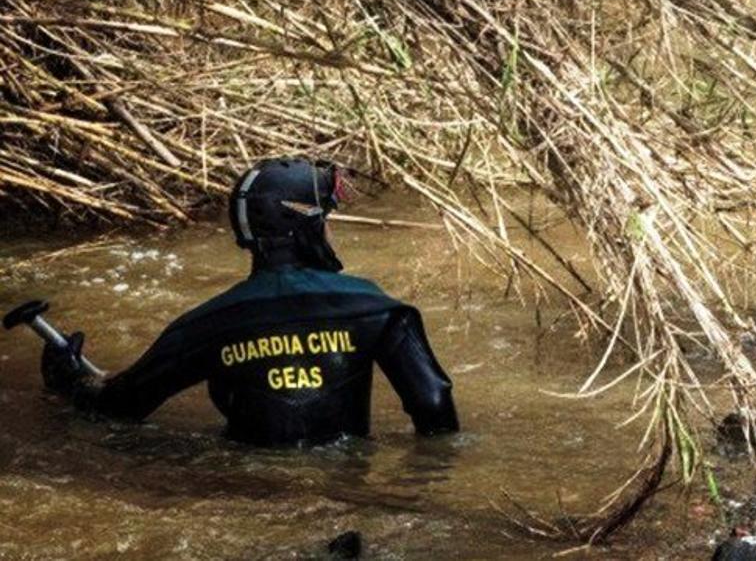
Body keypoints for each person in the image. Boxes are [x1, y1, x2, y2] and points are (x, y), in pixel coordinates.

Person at [40, 158, 459, 446]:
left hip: (247, 487)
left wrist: (70, 380)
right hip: (352, 492)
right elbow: (435, 408)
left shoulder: (208, 324)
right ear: (307, 226)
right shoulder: (380, 309)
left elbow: (120, 407)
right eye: (326, 222)